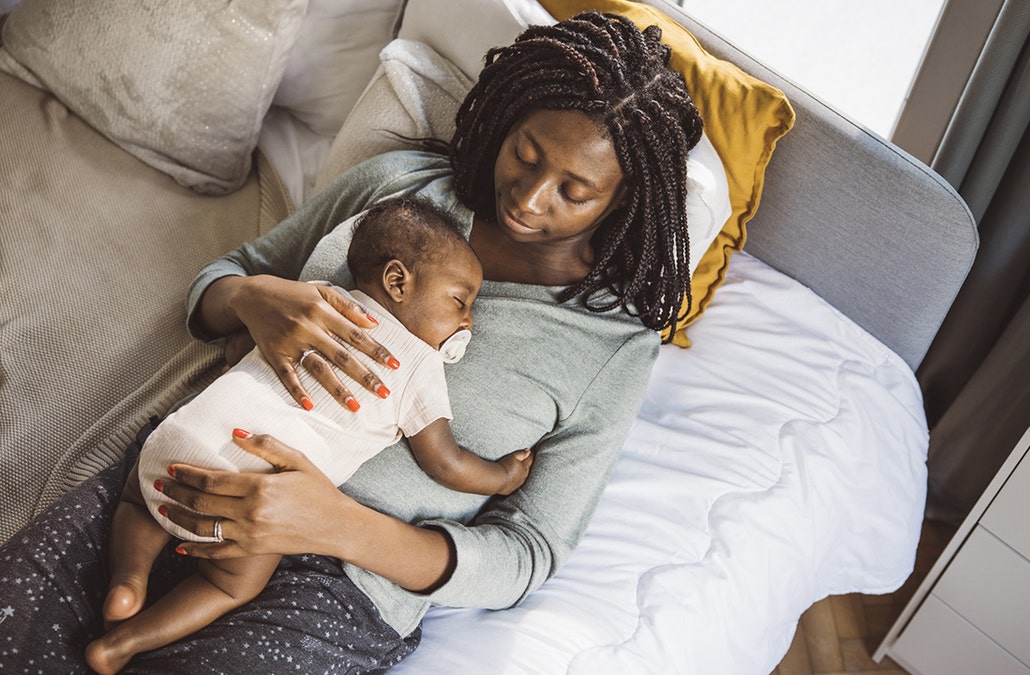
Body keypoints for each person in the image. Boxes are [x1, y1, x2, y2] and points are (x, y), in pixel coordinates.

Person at [0, 11, 702, 672]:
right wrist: (252, 299)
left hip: (345, 584)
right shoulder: (400, 191)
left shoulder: (608, 345)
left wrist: (335, 525)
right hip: (199, 462)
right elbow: (226, 278)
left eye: (573, 191)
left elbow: (531, 551)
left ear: (623, 198)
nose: (528, 196)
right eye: (525, 154)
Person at [85, 197, 534, 673]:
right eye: (460, 301)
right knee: (228, 583)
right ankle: (125, 642)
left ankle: (128, 580)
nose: (469, 321)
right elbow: (445, 462)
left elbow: (241, 344)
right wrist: (503, 477)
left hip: (181, 439)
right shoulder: (420, 367)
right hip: (252, 491)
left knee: (137, 500)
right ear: (398, 281)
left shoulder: (316, 298)